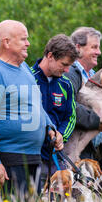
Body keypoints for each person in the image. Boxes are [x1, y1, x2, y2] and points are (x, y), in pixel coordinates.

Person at [0, 20, 63, 202]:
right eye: (23, 39)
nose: (28, 43)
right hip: (10, 158)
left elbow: (36, 105)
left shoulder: (24, 68)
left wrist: (49, 127)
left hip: (33, 156)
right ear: (7, 42)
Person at [30, 34, 78, 193]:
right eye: (64, 64)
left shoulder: (66, 84)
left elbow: (70, 117)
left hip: (55, 156)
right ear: (50, 56)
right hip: (30, 154)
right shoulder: (28, 78)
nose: (67, 70)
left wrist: (61, 136)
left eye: (70, 66)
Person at [64, 27, 102, 159]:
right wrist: (98, 121)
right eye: (94, 47)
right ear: (77, 48)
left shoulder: (94, 76)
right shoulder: (69, 73)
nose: (99, 52)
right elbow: (70, 107)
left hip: (90, 151)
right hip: (73, 150)